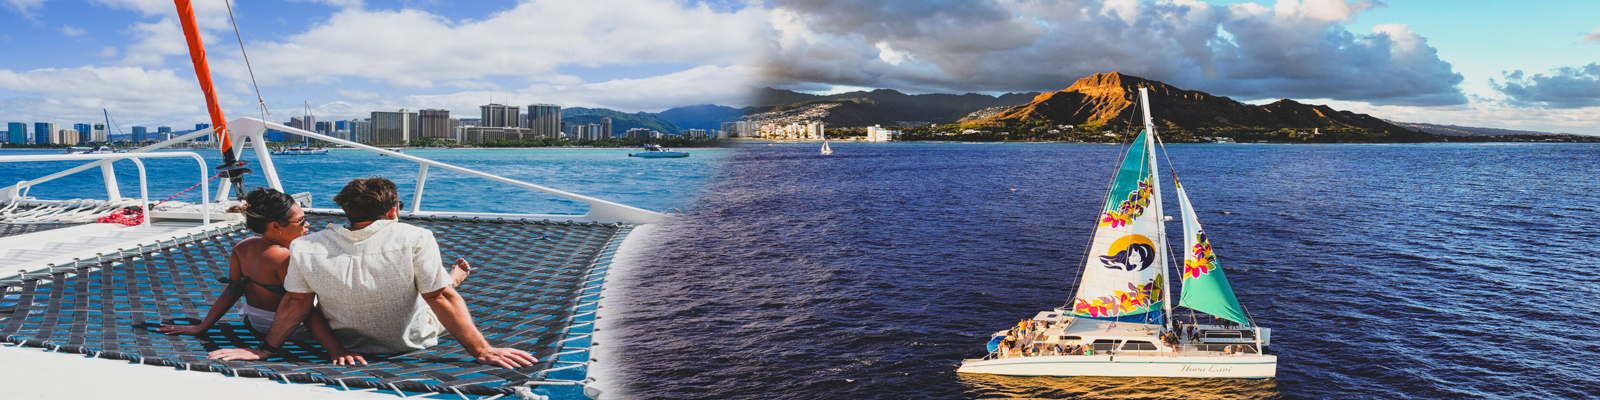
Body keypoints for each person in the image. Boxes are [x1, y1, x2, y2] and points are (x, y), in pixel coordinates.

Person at [209, 178, 533, 369]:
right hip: (411, 341)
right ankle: (452, 276)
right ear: (393, 212)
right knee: (437, 290)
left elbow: (296, 303)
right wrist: (482, 350)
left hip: (349, 344)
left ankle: (447, 277)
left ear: (346, 213)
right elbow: (440, 298)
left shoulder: (305, 247)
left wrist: (264, 350)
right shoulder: (415, 237)